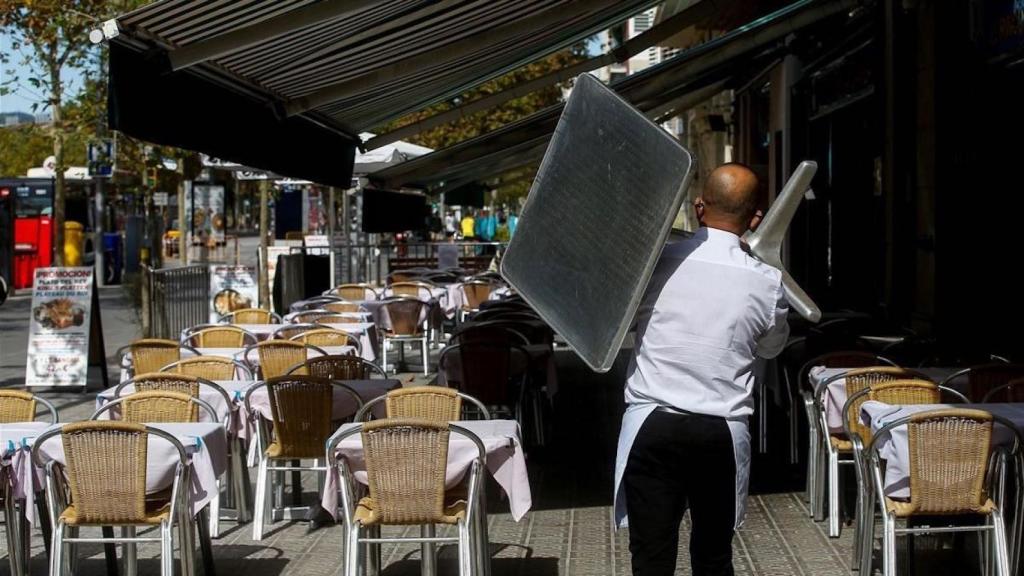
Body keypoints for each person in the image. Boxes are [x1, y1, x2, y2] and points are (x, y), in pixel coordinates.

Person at [614, 163, 788, 576]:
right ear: (755, 219)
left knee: (651, 558)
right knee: (713, 557)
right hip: (721, 430)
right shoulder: (766, 282)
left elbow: (618, 322)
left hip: (651, 424)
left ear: (698, 207)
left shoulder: (655, 264)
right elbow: (772, 345)